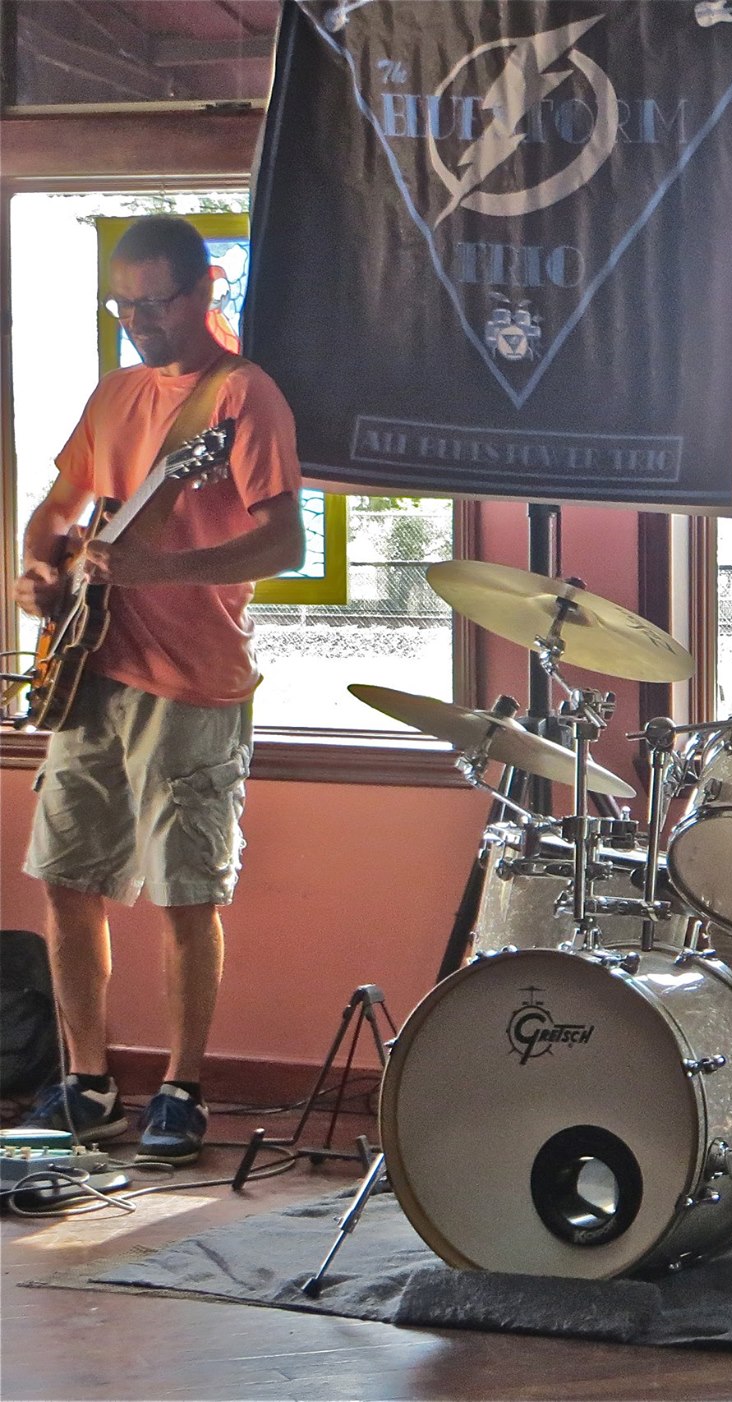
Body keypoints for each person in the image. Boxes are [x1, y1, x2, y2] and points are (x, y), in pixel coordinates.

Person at [10, 215, 305, 1165]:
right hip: (88, 672)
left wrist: (156, 571)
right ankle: (89, 1084)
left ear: (207, 287)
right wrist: (37, 571)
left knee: (186, 894)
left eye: (156, 302)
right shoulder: (115, 395)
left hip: (194, 683)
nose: (139, 321)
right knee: (65, 879)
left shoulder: (242, 399)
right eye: (124, 304)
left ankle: (182, 1090)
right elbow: (59, 510)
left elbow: (283, 543)